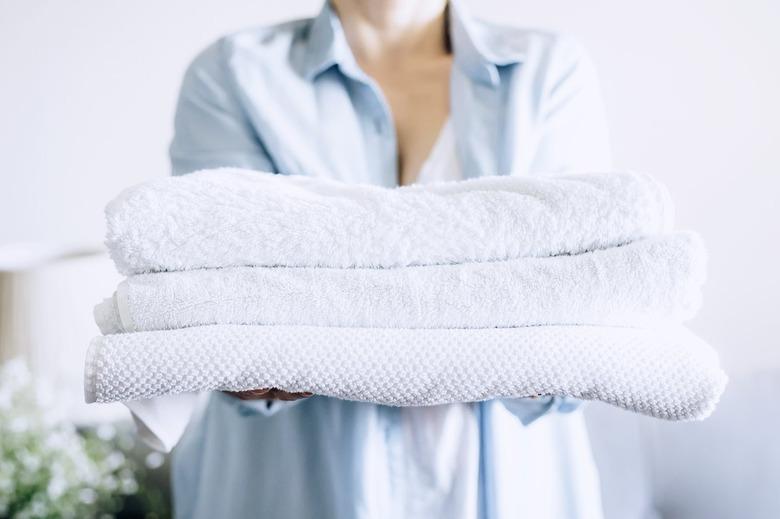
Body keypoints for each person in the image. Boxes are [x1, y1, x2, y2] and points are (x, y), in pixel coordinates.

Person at [162, 0, 612, 517]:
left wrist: (316, 319)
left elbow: (572, 304)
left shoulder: (547, 69)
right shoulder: (233, 73)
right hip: (291, 484)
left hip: (507, 482)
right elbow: (228, 301)